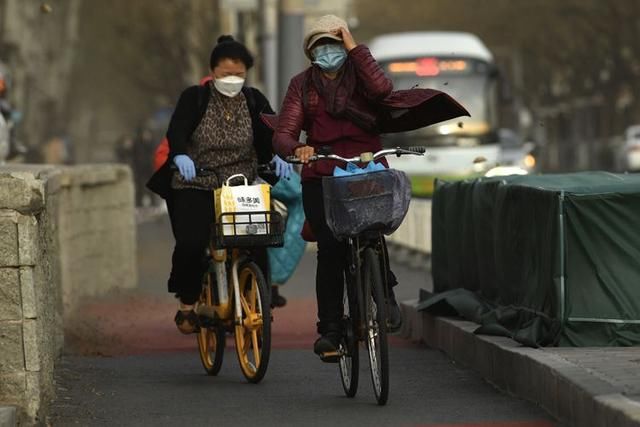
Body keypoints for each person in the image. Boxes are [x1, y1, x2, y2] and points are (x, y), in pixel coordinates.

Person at [272, 15, 469, 358]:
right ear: (310, 51)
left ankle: (385, 295)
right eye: (321, 44)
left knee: (374, 231)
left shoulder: (362, 75)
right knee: (331, 249)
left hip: (368, 167)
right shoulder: (301, 85)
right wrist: (296, 149)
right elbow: (284, 132)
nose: (328, 50)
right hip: (322, 173)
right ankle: (331, 331)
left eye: (335, 42)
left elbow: (384, 91)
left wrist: (354, 47)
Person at [147, 35, 291, 334]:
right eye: (226, 74)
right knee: (191, 243)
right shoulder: (195, 98)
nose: (233, 80)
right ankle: (187, 304)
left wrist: (279, 156)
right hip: (195, 181)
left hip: (240, 184)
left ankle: (259, 301)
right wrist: (179, 156)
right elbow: (177, 133)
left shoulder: (254, 100)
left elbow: (270, 136)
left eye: (239, 75)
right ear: (213, 72)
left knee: (256, 239)